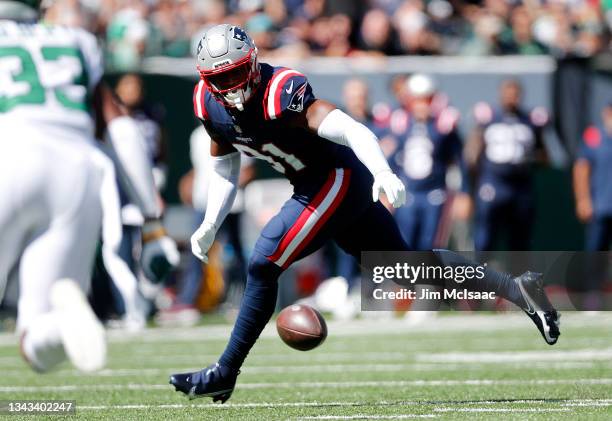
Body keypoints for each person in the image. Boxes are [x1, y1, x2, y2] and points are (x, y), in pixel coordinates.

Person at [170, 24, 560, 402]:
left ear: (253, 63)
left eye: (238, 73)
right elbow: (224, 164)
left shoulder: (280, 90)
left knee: (262, 262)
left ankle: (224, 373)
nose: (233, 87)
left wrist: (383, 171)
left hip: (333, 178)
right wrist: (211, 221)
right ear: (206, 78)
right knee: (410, 270)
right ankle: (519, 289)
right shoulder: (208, 102)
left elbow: (352, 130)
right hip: (315, 186)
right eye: (222, 79)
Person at [0, 0, 177, 372]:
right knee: (37, 343)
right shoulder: (75, 39)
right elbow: (122, 131)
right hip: (75, 173)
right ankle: (58, 326)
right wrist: (152, 223)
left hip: (8, 157)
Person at [390, 73, 470, 251]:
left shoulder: (443, 124)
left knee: (431, 244)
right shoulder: (401, 122)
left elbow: (458, 160)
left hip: (435, 193)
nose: (421, 104)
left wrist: (463, 193)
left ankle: (426, 279)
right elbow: (393, 160)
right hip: (407, 192)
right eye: (417, 99)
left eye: (425, 99)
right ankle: (405, 278)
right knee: (404, 241)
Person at [465, 79, 548, 251]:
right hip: (493, 182)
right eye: (508, 93)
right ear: (501, 94)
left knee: (520, 238)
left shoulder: (530, 121)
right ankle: (480, 275)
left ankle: (517, 277)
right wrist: (470, 190)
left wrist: (531, 158)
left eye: (515, 94)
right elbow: (471, 156)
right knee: (485, 235)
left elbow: (544, 156)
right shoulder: (489, 118)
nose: (512, 98)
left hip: (520, 184)